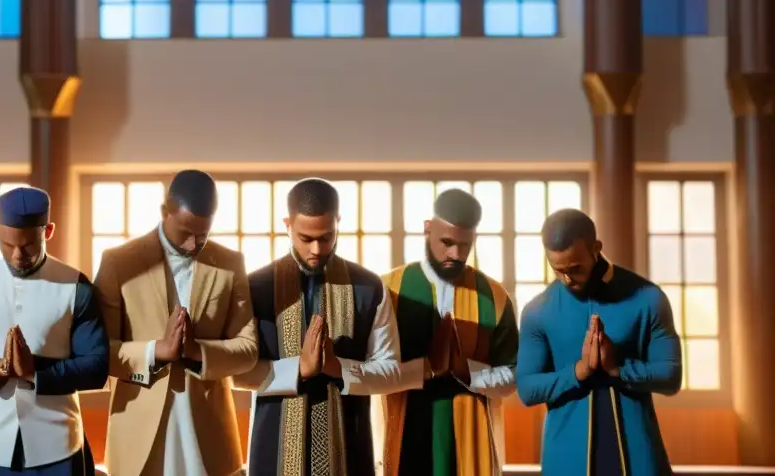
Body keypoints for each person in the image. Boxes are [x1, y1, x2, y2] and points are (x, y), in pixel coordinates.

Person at [94, 169, 258, 476]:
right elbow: (98, 351)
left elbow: (248, 348)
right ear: (164, 212)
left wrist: (199, 352)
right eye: (185, 232)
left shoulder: (230, 263)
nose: (193, 244)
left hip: (209, 435)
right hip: (137, 432)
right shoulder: (119, 262)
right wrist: (155, 351)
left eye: (203, 234)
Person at [0, 186, 109, 475]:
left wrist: (35, 372)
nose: (17, 254)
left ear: (48, 231)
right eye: (7, 244)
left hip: (57, 447)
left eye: (28, 245)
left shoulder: (77, 287)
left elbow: (97, 367)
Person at [236, 178, 402, 476]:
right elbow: (236, 372)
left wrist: (339, 368)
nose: (316, 248)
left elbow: (391, 372)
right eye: (305, 238)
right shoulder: (254, 287)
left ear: (338, 222)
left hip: (350, 451)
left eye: (326, 238)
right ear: (287, 224)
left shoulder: (369, 286)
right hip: (271, 453)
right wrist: (298, 369)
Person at [516, 208, 682, 475]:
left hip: (640, 457)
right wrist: (579, 371)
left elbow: (671, 376)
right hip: (566, 461)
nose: (567, 279)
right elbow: (526, 388)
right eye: (558, 270)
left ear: (596, 248)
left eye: (575, 268)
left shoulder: (648, 298)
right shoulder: (538, 311)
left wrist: (619, 369)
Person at [375, 189, 519, 475]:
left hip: (471, 435)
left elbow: (513, 376)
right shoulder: (388, 290)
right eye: (447, 242)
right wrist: (426, 368)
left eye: (464, 246)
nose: (455, 254)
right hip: (406, 425)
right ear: (427, 229)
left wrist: (465, 370)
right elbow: (371, 371)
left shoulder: (494, 296)